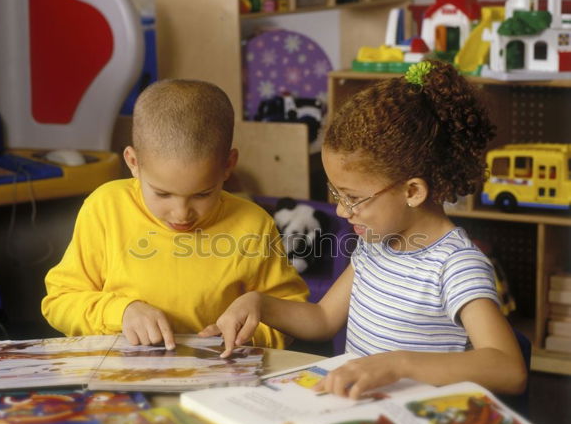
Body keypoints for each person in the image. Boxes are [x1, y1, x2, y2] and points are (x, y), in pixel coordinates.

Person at [201, 61, 528, 398]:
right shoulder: (376, 245)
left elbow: (508, 367)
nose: (342, 210)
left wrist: (397, 364)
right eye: (337, 194)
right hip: (363, 413)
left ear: (413, 192)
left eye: (354, 197)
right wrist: (258, 304)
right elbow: (323, 319)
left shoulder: (455, 265)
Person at [42, 79, 308, 350]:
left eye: (202, 194)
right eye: (162, 194)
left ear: (228, 165)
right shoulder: (105, 208)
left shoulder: (254, 224)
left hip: (215, 379)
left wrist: (245, 336)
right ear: (133, 163)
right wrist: (120, 312)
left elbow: (290, 316)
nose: (181, 214)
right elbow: (60, 302)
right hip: (119, 378)